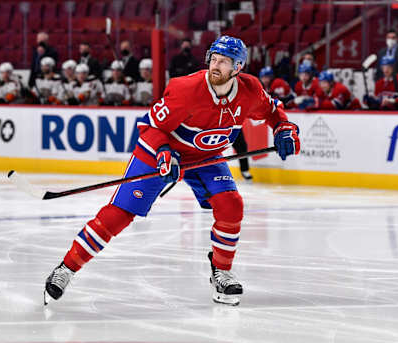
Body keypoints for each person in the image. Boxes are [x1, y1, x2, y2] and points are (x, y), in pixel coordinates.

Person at [44, 35, 300, 307]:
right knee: (119, 215)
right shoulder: (186, 89)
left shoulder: (250, 90)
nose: (215, 65)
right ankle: (66, 269)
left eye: (224, 62)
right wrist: (164, 153)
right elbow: (151, 126)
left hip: (206, 156)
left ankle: (222, 272)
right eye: (213, 59)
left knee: (231, 205)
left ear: (238, 68)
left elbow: (274, 111)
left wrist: (284, 128)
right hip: (161, 150)